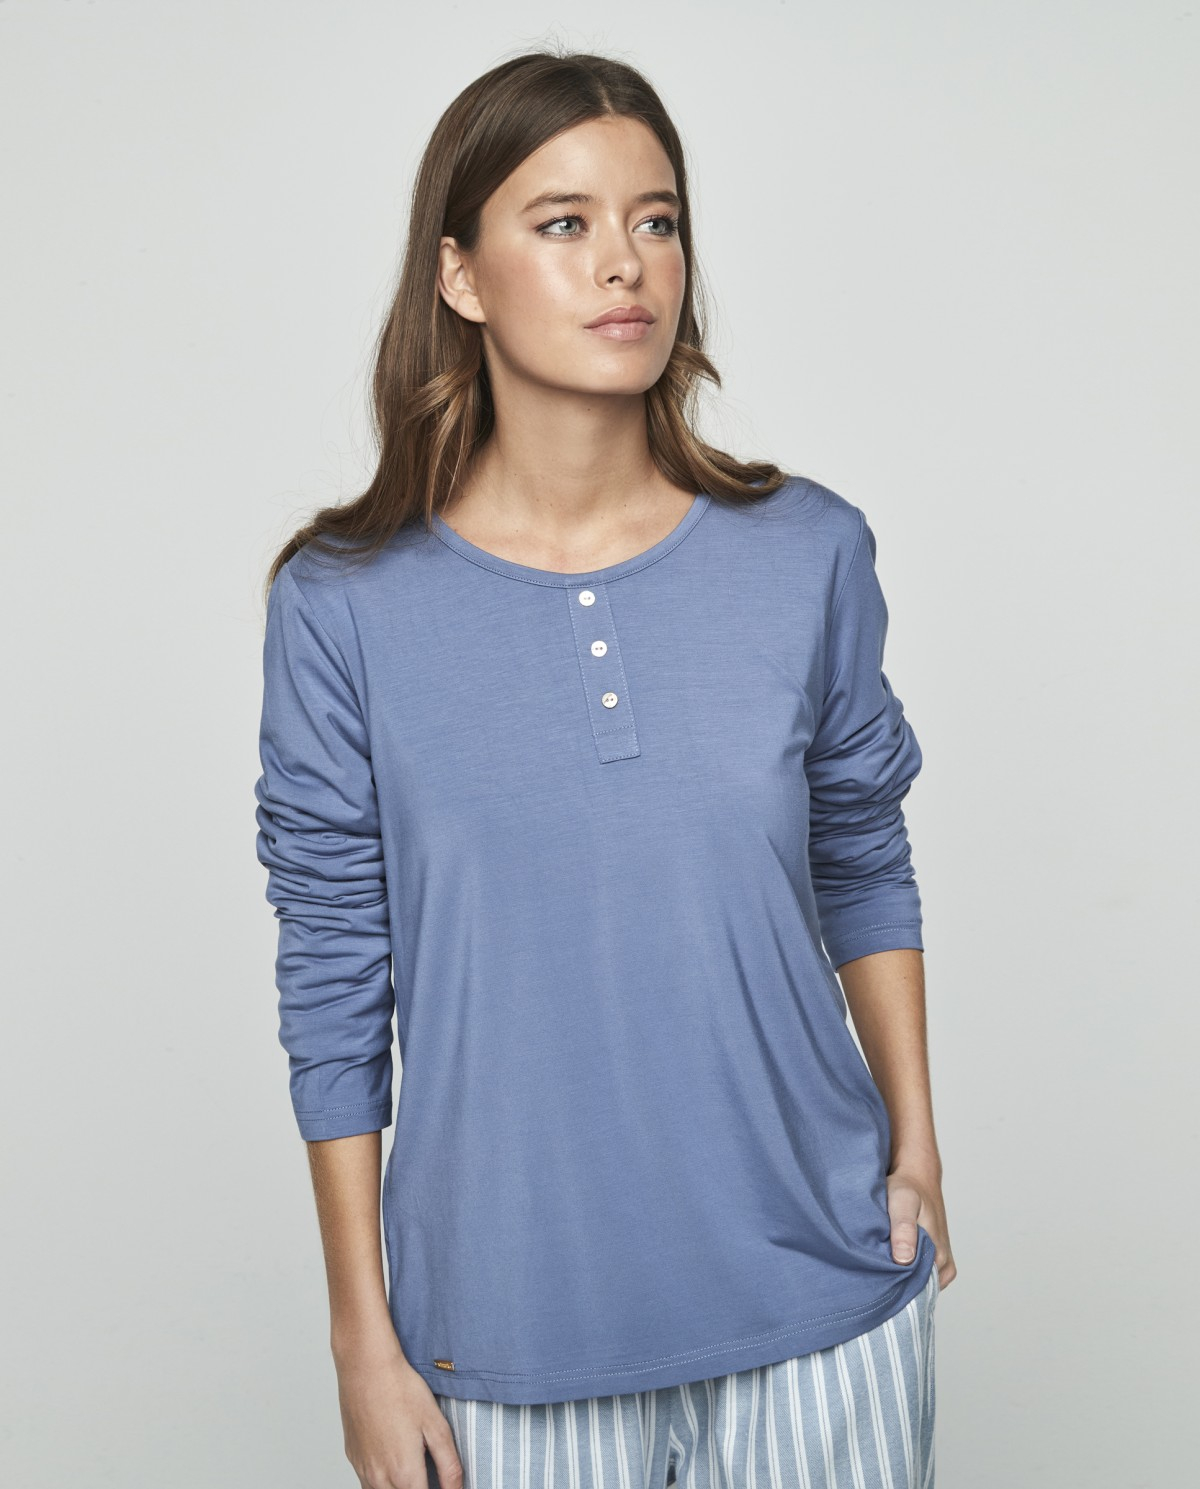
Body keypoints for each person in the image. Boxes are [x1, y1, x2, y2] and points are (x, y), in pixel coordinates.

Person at [254, 48, 956, 1489]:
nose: (624, 262)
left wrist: (919, 1149)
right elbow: (331, 972)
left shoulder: (806, 552)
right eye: (563, 222)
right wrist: (361, 1340)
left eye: (657, 219)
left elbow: (862, 853)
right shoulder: (342, 604)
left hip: (823, 1305)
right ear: (460, 275)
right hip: (504, 1338)